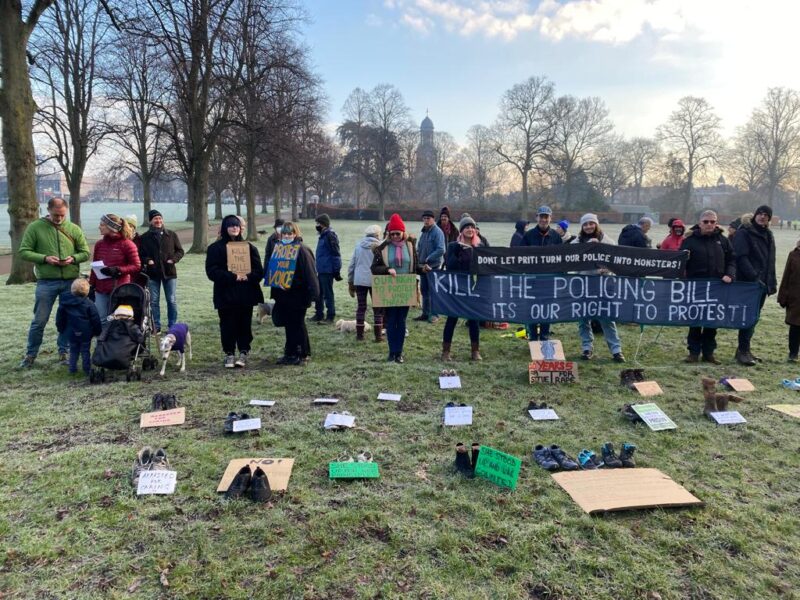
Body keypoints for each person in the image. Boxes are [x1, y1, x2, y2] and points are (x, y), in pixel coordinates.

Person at [18, 198, 90, 368]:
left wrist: (73, 258)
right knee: (39, 320)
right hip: (46, 282)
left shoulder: (73, 229)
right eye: (56, 215)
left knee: (69, 319)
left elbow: (85, 252)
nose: (59, 218)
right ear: (48, 210)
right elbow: (24, 251)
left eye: (62, 215)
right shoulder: (35, 227)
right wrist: (45, 258)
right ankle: (30, 355)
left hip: (70, 282)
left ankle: (63, 351)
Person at [205, 215, 264, 368]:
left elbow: (259, 271)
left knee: (244, 324)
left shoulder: (250, 248)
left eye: (237, 226)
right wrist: (232, 277)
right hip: (225, 293)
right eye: (231, 226)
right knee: (227, 324)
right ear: (225, 228)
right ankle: (229, 353)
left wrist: (247, 276)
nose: (234, 228)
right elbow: (211, 271)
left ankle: (244, 352)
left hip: (245, 293)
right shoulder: (215, 248)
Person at [679, 210, 735, 364]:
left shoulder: (723, 241)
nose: (709, 224)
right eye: (706, 221)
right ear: (699, 223)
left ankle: (709, 353)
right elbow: (680, 263)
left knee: (712, 321)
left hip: (718, 287)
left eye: (712, 221)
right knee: (695, 320)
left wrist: (729, 274)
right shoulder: (689, 241)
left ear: (716, 223)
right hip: (696, 288)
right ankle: (693, 352)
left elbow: (732, 260)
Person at [571, 213, 625, 362]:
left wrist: (608, 269)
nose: (588, 226)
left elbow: (616, 263)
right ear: (582, 227)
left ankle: (616, 350)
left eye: (591, 223)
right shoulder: (576, 243)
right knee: (583, 319)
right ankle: (586, 348)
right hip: (583, 284)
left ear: (596, 224)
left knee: (606, 318)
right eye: (585, 224)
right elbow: (571, 264)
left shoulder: (608, 241)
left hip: (603, 285)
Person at [371, 213, 422, 363]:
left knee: (402, 320)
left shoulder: (410, 246)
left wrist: (423, 268)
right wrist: (387, 270)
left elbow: (415, 265)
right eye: (391, 234)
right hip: (389, 289)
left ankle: (399, 352)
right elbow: (374, 267)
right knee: (391, 320)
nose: (394, 237)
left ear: (403, 232)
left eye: (397, 233)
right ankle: (391, 352)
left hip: (405, 288)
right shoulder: (382, 248)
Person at [268, 222, 320, 365]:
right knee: (289, 324)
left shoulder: (302, 250)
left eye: (290, 234)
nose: (287, 236)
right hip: (283, 295)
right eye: (284, 234)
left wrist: (315, 295)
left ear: (295, 234)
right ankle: (290, 353)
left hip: (298, 295)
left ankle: (302, 353)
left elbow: (310, 274)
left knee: (297, 324)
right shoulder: (279, 249)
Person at [733, 205, 777, 366]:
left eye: (766, 215)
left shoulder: (768, 234)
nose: (762, 217)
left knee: (754, 317)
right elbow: (741, 257)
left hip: (762, 284)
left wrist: (771, 282)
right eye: (760, 213)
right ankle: (742, 351)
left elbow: (770, 261)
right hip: (749, 284)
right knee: (748, 316)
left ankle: (744, 349)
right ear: (755, 215)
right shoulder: (744, 232)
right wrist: (754, 278)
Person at [441, 215, 485, 362]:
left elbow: (488, 263)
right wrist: (461, 251)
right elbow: (450, 264)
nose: (470, 229)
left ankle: (475, 351)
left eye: (472, 227)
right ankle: (446, 351)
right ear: (461, 230)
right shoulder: (454, 246)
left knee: (474, 320)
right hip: (457, 288)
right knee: (452, 319)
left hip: (473, 288)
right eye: (467, 227)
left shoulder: (480, 246)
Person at [89, 214, 141, 322]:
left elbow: (136, 266)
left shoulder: (128, 244)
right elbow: (94, 266)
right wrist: (91, 285)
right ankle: (102, 339)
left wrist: (118, 270)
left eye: (102, 225)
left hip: (120, 289)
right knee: (102, 319)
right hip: (100, 289)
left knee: (118, 320)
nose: (99, 227)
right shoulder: (99, 244)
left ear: (111, 227)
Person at [139, 210, 184, 333]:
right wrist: (148, 260)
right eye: (155, 219)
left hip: (169, 273)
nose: (158, 221)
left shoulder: (171, 235)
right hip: (153, 273)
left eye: (160, 218)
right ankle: (156, 326)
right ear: (150, 221)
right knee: (154, 301)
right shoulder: (144, 237)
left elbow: (180, 251)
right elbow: (141, 254)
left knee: (171, 300)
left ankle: (172, 325)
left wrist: (173, 260)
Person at [522, 205, 562, 341]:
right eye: (541, 217)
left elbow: (563, 259)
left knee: (547, 310)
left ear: (551, 218)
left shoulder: (556, 237)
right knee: (532, 308)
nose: (544, 220)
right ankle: (533, 337)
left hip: (549, 281)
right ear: (536, 218)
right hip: (532, 280)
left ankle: (544, 336)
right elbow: (519, 257)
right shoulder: (528, 236)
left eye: (546, 217)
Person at [55, 278, 102, 375]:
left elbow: (60, 318)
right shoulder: (89, 304)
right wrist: (98, 331)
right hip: (86, 332)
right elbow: (95, 319)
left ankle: (72, 369)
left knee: (73, 350)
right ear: (87, 291)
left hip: (70, 332)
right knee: (85, 351)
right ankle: (87, 369)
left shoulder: (64, 303)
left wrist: (61, 329)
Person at [348, 224, 384, 341]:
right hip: (376, 280)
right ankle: (378, 336)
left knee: (361, 307)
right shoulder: (381, 247)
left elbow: (352, 265)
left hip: (360, 280)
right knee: (377, 308)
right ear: (378, 234)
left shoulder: (359, 246)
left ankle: (360, 335)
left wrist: (350, 282)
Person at [416, 210, 445, 322]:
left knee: (433, 291)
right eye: (424, 218)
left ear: (433, 219)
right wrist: (417, 256)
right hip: (423, 267)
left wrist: (429, 258)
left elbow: (441, 249)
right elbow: (419, 247)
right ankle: (425, 313)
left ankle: (435, 315)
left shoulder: (438, 232)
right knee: (424, 290)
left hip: (433, 267)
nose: (426, 220)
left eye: (428, 218)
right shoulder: (424, 232)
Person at [311, 213, 341, 323]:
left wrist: (336, 270)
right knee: (319, 293)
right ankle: (319, 314)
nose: (317, 225)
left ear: (324, 224)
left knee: (328, 294)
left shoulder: (330, 235)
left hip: (327, 270)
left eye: (318, 223)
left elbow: (336, 254)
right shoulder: (323, 235)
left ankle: (330, 316)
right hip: (321, 269)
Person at [778, 239, 800, 362]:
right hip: (796, 296)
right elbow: (786, 275)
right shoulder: (794, 254)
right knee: (796, 326)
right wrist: (783, 295)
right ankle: (793, 353)